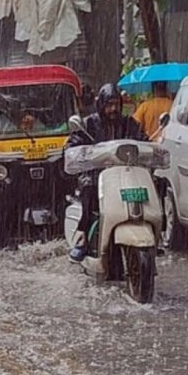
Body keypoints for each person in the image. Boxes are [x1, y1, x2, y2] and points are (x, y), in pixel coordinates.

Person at [67, 83, 148, 262]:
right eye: (109, 104)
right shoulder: (89, 124)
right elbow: (73, 144)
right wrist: (81, 152)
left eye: (116, 104)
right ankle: (83, 237)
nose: (113, 109)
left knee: (155, 184)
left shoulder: (130, 124)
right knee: (89, 187)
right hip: (98, 175)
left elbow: (144, 142)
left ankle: (155, 233)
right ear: (101, 104)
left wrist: (152, 151)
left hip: (126, 174)